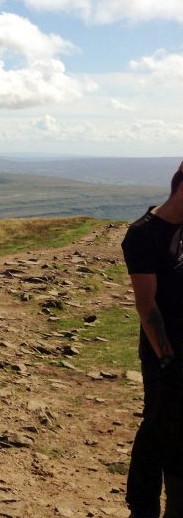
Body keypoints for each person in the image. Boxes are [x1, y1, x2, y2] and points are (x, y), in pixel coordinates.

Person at [123, 160, 183, 518]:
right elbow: (147, 306)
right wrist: (167, 358)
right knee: (159, 425)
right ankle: (142, 506)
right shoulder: (143, 234)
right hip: (166, 355)